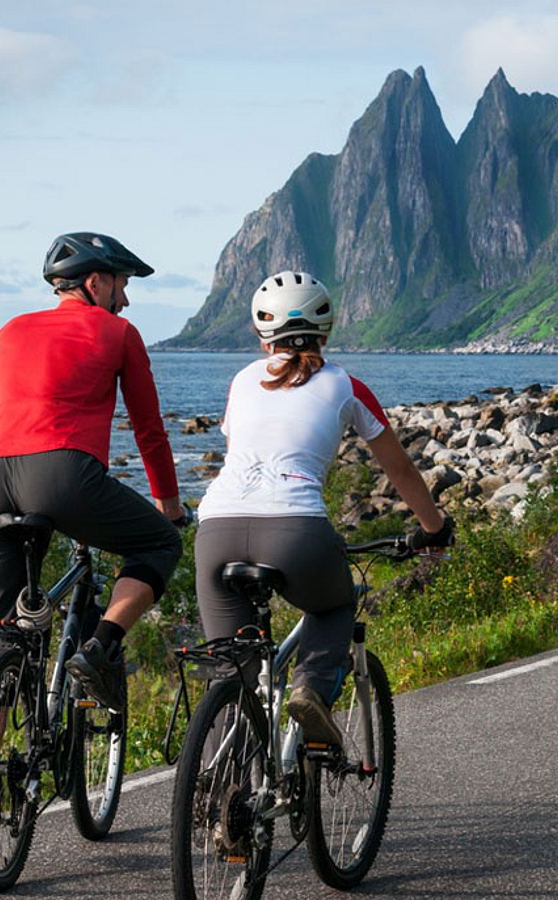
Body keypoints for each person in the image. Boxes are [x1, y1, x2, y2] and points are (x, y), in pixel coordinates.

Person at [194, 269, 453, 747]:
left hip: (216, 528)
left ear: (260, 333)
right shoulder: (346, 385)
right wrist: (434, 528)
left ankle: (217, 806)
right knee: (335, 605)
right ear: (326, 330)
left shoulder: (242, 380)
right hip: (296, 531)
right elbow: (400, 471)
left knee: (231, 670)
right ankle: (311, 689)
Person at [0, 231, 185, 712]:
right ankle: (98, 649)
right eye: (123, 286)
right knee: (160, 543)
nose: (125, 301)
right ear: (97, 283)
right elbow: (149, 430)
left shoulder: (10, 330)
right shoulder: (120, 333)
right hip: (62, 475)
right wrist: (169, 507)